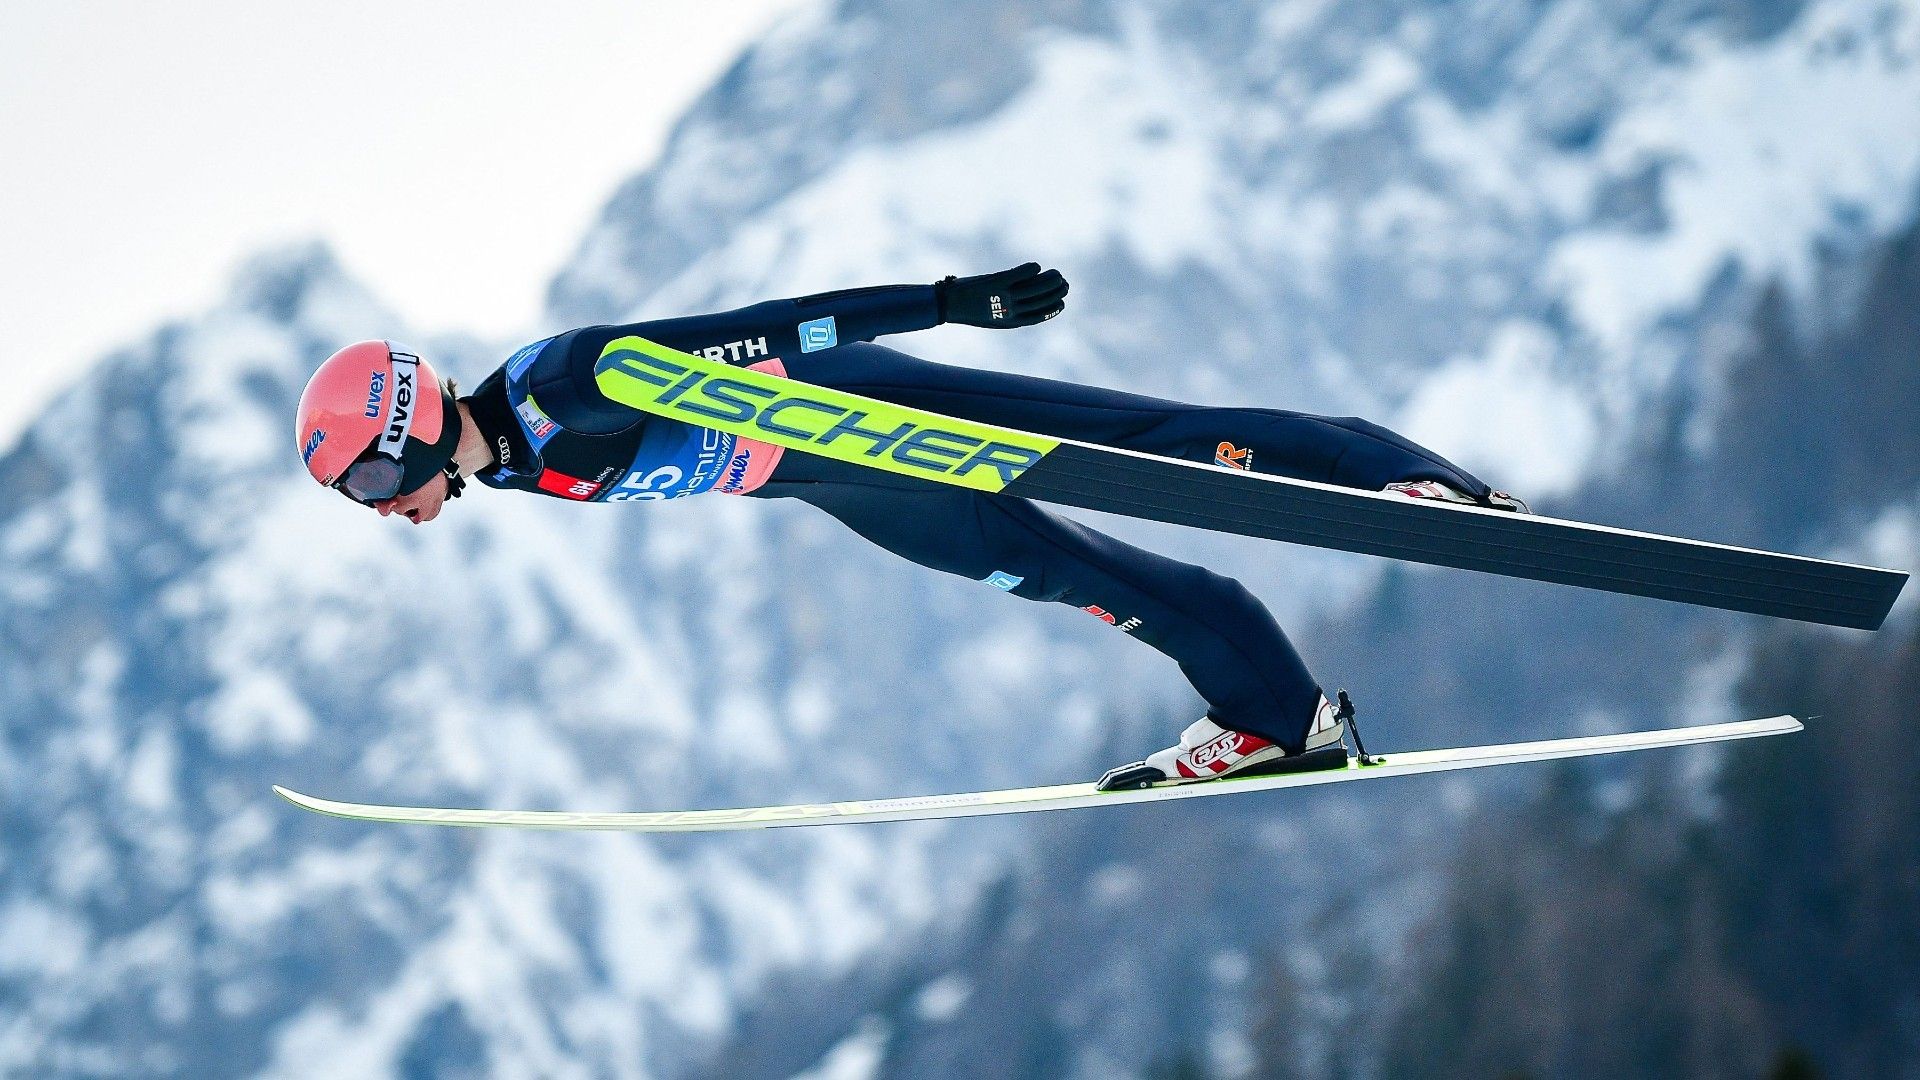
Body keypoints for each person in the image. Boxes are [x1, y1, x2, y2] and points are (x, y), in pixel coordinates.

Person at [294, 264, 1526, 791]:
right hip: (847, 484)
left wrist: (945, 305)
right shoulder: (505, 470)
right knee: (1075, 576)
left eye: (363, 489)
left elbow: (768, 330)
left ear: (399, 431)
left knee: (1152, 441)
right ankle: (1278, 719)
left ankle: (1404, 480)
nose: (381, 516)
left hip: (869, 407)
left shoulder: (566, 384)